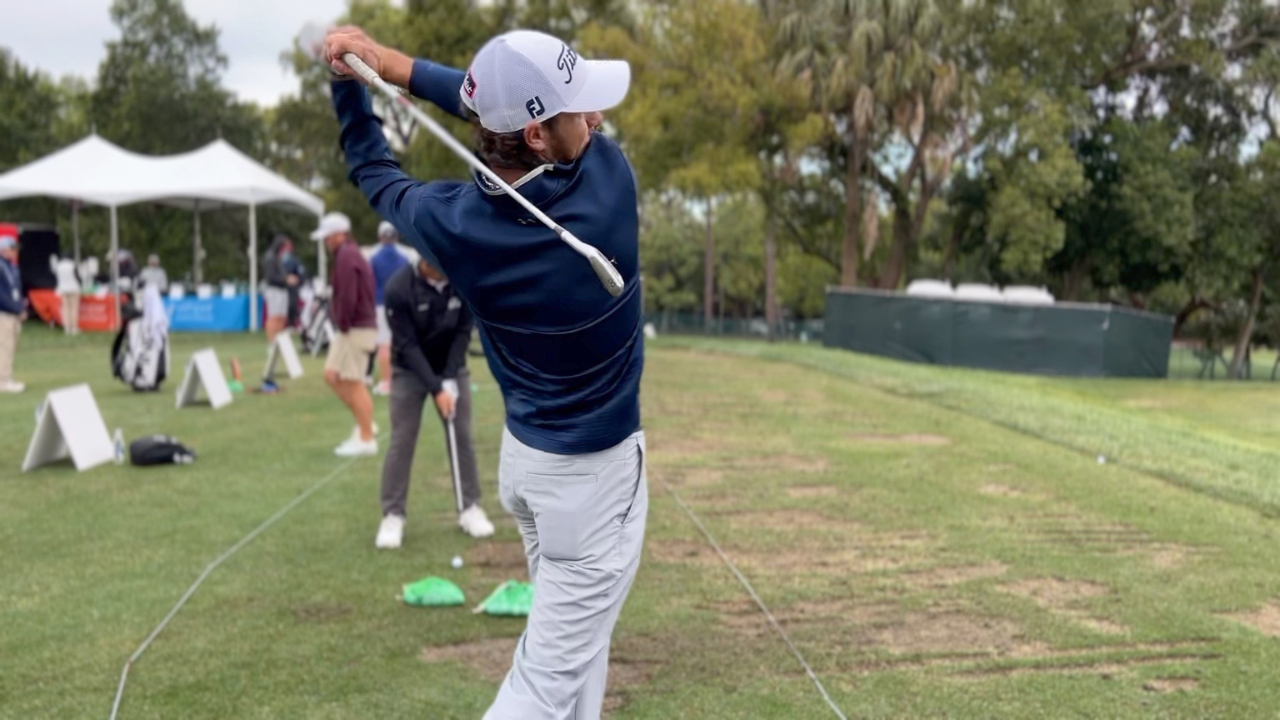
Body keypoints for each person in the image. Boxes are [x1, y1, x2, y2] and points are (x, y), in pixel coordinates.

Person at [325, 27, 645, 719]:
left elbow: (373, 170)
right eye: (579, 110)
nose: (596, 119)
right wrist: (395, 69)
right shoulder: (610, 186)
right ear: (535, 136)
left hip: (528, 470)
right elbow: (477, 106)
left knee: (579, 657)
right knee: (543, 685)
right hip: (596, 487)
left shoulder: (455, 224)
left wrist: (356, 83)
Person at [377, 258, 493, 548]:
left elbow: (463, 332)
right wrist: (437, 388)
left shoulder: (461, 277)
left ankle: (470, 508)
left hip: (450, 366)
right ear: (421, 260)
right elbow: (407, 345)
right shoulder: (398, 288)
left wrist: (450, 378)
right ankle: (393, 515)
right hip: (409, 369)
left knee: (462, 436)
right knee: (402, 440)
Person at [313, 212, 379, 457]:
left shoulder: (347, 256)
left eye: (328, 236)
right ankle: (365, 424)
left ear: (339, 234)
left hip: (355, 327)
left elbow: (348, 296)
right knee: (332, 375)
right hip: (351, 327)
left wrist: (342, 321)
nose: (325, 241)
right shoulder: (347, 254)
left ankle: (366, 438)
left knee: (354, 382)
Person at [369, 220, 410, 396]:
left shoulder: (374, 259)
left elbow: (371, 284)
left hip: (381, 304)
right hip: (402, 304)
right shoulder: (404, 259)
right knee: (402, 344)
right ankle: (404, 380)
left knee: (384, 345)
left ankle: (387, 382)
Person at [0, 234, 27, 393]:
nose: (15, 252)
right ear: (3, 250)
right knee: (4, 346)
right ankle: (3, 380)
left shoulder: (12, 267)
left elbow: (15, 291)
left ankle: (7, 376)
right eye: (12, 249)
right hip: (4, 313)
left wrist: (21, 308)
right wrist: (16, 309)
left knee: (10, 346)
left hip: (13, 312)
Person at [262, 235, 300, 344]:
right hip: (274, 290)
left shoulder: (278, 257)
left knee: (282, 317)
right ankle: (271, 340)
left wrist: (287, 278)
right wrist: (286, 280)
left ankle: (279, 340)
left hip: (282, 290)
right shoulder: (270, 258)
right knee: (274, 316)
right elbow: (270, 277)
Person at [51, 254, 80, 335]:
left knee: (65, 309)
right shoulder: (73, 265)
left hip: (63, 288)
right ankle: (74, 327)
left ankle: (66, 327)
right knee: (73, 308)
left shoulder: (58, 266)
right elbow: (77, 276)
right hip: (73, 287)